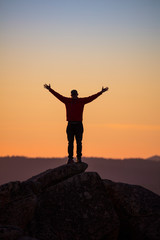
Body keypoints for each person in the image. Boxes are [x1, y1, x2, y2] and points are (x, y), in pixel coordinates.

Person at [44, 83, 109, 164]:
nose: (74, 96)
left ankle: (79, 158)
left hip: (78, 125)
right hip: (70, 125)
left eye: (75, 95)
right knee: (70, 142)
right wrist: (50, 90)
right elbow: (58, 96)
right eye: (73, 95)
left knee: (79, 142)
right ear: (71, 95)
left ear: (77, 95)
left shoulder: (81, 101)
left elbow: (91, 98)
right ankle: (70, 159)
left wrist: (101, 92)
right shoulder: (67, 101)